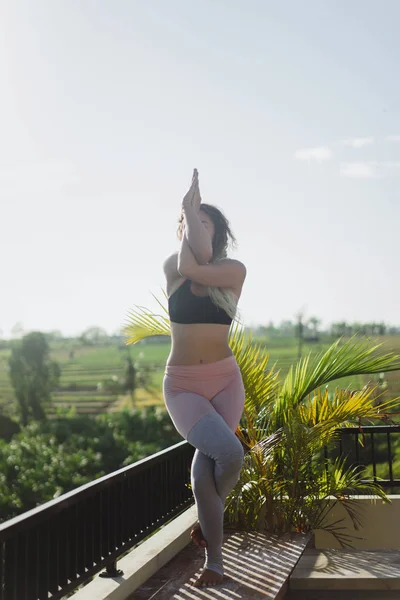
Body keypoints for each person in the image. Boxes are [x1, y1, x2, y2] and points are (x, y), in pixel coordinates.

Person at [162, 169, 247, 588]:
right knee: (231, 455)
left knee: (202, 475)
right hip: (182, 388)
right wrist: (189, 213)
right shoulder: (173, 270)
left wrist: (190, 210)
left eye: (205, 221)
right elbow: (186, 260)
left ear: (218, 234)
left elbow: (198, 261)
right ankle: (213, 538)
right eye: (190, 223)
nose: (196, 228)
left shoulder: (233, 271)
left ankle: (214, 561)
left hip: (226, 381)